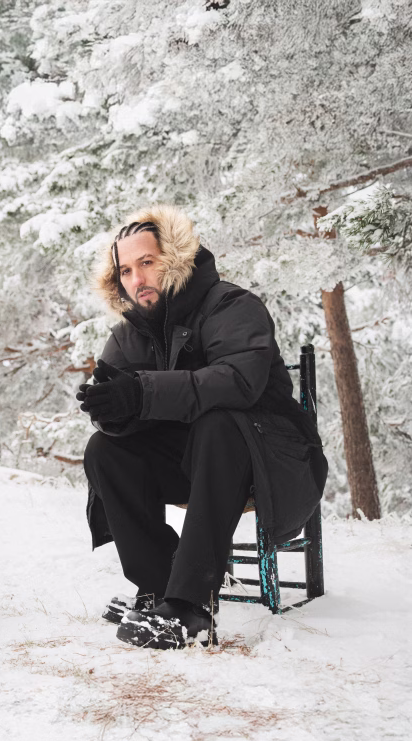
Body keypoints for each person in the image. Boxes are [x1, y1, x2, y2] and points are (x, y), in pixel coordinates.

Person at [77, 205, 328, 650]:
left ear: (174, 257)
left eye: (147, 263)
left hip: (270, 459)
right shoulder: (128, 333)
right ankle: (159, 586)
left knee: (219, 422)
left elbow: (240, 382)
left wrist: (142, 393)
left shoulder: (232, 305)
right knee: (104, 448)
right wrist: (114, 412)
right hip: (196, 464)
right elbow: (121, 403)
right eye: (127, 270)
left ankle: (191, 607)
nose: (137, 279)